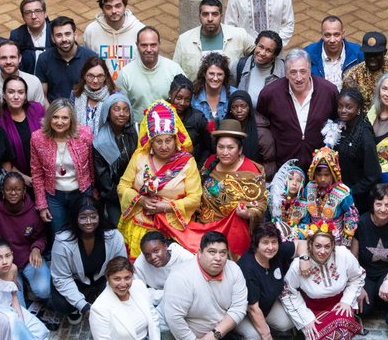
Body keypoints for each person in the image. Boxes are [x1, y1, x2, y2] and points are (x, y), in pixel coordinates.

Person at [116, 100, 202, 257]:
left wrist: (166, 207)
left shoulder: (187, 162)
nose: (164, 146)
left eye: (168, 140)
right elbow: (122, 186)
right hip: (139, 226)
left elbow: (195, 198)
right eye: (158, 141)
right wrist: (140, 200)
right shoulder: (139, 157)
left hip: (171, 230)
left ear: (175, 139)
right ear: (150, 141)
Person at [176, 119, 267, 257]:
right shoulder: (209, 162)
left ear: (240, 149)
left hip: (233, 230)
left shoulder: (251, 171)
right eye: (221, 147)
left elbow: (261, 205)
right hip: (204, 226)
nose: (225, 152)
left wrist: (248, 214)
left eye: (230, 148)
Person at [280, 228, 365, 340]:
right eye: (318, 246)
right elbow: (288, 292)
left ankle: (350, 322)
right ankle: (305, 333)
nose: (322, 251)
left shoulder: (343, 255)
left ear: (333, 245)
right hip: (312, 310)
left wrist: (347, 301)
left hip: (338, 306)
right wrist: (305, 319)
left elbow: (357, 276)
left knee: (342, 335)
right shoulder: (298, 265)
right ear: (310, 245)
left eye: (327, 246)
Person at [256, 48, 339, 171]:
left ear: (310, 70)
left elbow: (336, 121)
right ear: (286, 73)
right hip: (284, 168)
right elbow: (262, 126)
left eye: (303, 71)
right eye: (293, 72)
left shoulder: (328, 91)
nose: (299, 78)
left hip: (321, 169)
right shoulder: (269, 94)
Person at [50, 197, 128, 325]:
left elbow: (121, 267)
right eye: (83, 217)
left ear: (100, 216)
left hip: (101, 277)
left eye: (93, 216)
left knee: (119, 293)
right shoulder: (62, 241)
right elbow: (61, 278)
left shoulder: (113, 236)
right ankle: (76, 308)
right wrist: (84, 307)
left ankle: (97, 297)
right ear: (75, 218)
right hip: (74, 280)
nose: (88, 222)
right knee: (62, 303)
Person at [0, 172, 52, 313]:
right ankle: (23, 289)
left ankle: (31, 289)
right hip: (6, 265)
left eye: (18, 189)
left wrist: (36, 249)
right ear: (2, 191)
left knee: (44, 290)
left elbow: (41, 236)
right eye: (9, 189)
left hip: (28, 259)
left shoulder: (33, 211)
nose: (13, 193)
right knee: (20, 310)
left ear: (24, 191)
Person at [30, 98, 96, 235]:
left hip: (82, 192)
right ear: (49, 118)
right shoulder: (37, 138)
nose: (59, 122)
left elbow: (91, 165)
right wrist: (42, 205)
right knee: (59, 235)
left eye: (65, 118)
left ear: (71, 119)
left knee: (84, 233)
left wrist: (94, 192)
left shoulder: (84, 135)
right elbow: (36, 173)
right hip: (54, 196)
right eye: (55, 117)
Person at [236, 223, 297, 340]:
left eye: (274, 242)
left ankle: (262, 324)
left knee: (288, 322)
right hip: (245, 312)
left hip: (266, 306)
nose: (270, 247)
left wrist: (305, 259)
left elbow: (302, 245)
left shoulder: (277, 252)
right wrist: (266, 335)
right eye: (265, 243)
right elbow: (252, 308)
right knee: (256, 339)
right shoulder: (247, 268)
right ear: (256, 244)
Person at [352, 184, 388, 316]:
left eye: (387, 205)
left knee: (386, 298)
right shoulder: (361, 223)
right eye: (378, 204)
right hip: (365, 273)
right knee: (363, 309)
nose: (383, 209)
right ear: (372, 204)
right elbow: (353, 258)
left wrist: (387, 280)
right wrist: (357, 286)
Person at [174, 0, 255, 79]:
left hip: (231, 90)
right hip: (195, 91)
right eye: (205, 14)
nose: (210, 19)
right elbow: (175, 72)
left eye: (214, 14)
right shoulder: (184, 40)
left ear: (221, 16)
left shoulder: (239, 35)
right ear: (199, 17)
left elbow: (259, 52)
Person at [293, 147, 359, 247]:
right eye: (319, 174)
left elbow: (351, 216)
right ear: (314, 174)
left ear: (333, 174)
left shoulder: (343, 192)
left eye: (326, 175)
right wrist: (302, 232)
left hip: (336, 241)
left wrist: (345, 244)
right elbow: (303, 213)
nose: (322, 179)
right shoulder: (309, 187)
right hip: (313, 237)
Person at [117, 27, 186, 121]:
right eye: (144, 45)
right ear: (137, 45)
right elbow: (120, 107)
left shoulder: (174, 70)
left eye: (153, 45)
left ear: (159, 44)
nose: (149, 49)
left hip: (169, 130)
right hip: (137, 131)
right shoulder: (125, 74)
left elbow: (186, 101)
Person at [91, 93, 138, 227]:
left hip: (139, 191)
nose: (121, 113)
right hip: (115, 197)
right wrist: (126, 197)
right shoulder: (100, 143)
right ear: (107, 112)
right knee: (118, 228)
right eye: (116, 109)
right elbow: (104, 183)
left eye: (125, 109)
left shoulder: (136, 132)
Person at [83, 0, 148, 81]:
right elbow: (87, 63)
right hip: (101, 89)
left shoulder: (140, 30)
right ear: (102, 9)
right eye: (108, 7)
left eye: (118, 6)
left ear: (125, 6)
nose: (114, 11)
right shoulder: (91, 31)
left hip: (131, 87)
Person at [133, 231, 195, 332]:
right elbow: (139, 292)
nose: (153, 257)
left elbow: (196, 285)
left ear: (165, 246)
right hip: (158, 302)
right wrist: (166, 294)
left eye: (156, 251)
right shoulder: (140, 264)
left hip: (186, 300)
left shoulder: (184, 257)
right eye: (147, 255)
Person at [334, 88, 381, 213]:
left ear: (358, 109)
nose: (343, 110)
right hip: (336, 195)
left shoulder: (364, 135)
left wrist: (349, 192)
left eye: (349, 107)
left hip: (357, 199)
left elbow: (373, 175)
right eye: (340, 106)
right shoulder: (337, 127)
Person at [35, 16, 97, 103]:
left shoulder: (91, 58)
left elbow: (97, 91)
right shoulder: (44, 59)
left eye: (67, 34)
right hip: (55, 113)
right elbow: (42, 95)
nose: (64, 39)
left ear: (75, 36)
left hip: (83, 112)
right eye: (59, 35)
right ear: (53, 38)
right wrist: (52, 115)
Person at [342, 32, 388, 112]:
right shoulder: (351, 76)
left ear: (384, 53)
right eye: (368, 55)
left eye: (376, 55)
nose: (372, 60)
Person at [0, 75, 45, 175]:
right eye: (11, 92)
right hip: (16, 179)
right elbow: (3, 158)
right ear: (4, 95)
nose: (16, 97)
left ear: (25, 96)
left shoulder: (37, 109)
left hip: (44, 173)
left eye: (21, 92)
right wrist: (24, 178)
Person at [0, 42, 48, 107]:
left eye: (12, 57)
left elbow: (40, 115)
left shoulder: (34, 82)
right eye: (3, 58)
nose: (8, 62)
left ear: (20, 58)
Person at [226, 90, 276, 178]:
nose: (239, 110)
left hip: (254, 177)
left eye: (243, 106)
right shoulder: (225, 127)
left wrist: (256, 177)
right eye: (235, 107)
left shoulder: (261, 131)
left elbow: (269, 163)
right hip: (228, 176)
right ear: (230, 109)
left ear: (249, 108)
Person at [305, 15, 363, 89]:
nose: (332, 40)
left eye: (336, 34)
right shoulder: (308, 54)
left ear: (343, 34)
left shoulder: (358, 53)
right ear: (322, 35)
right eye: (327, 35)